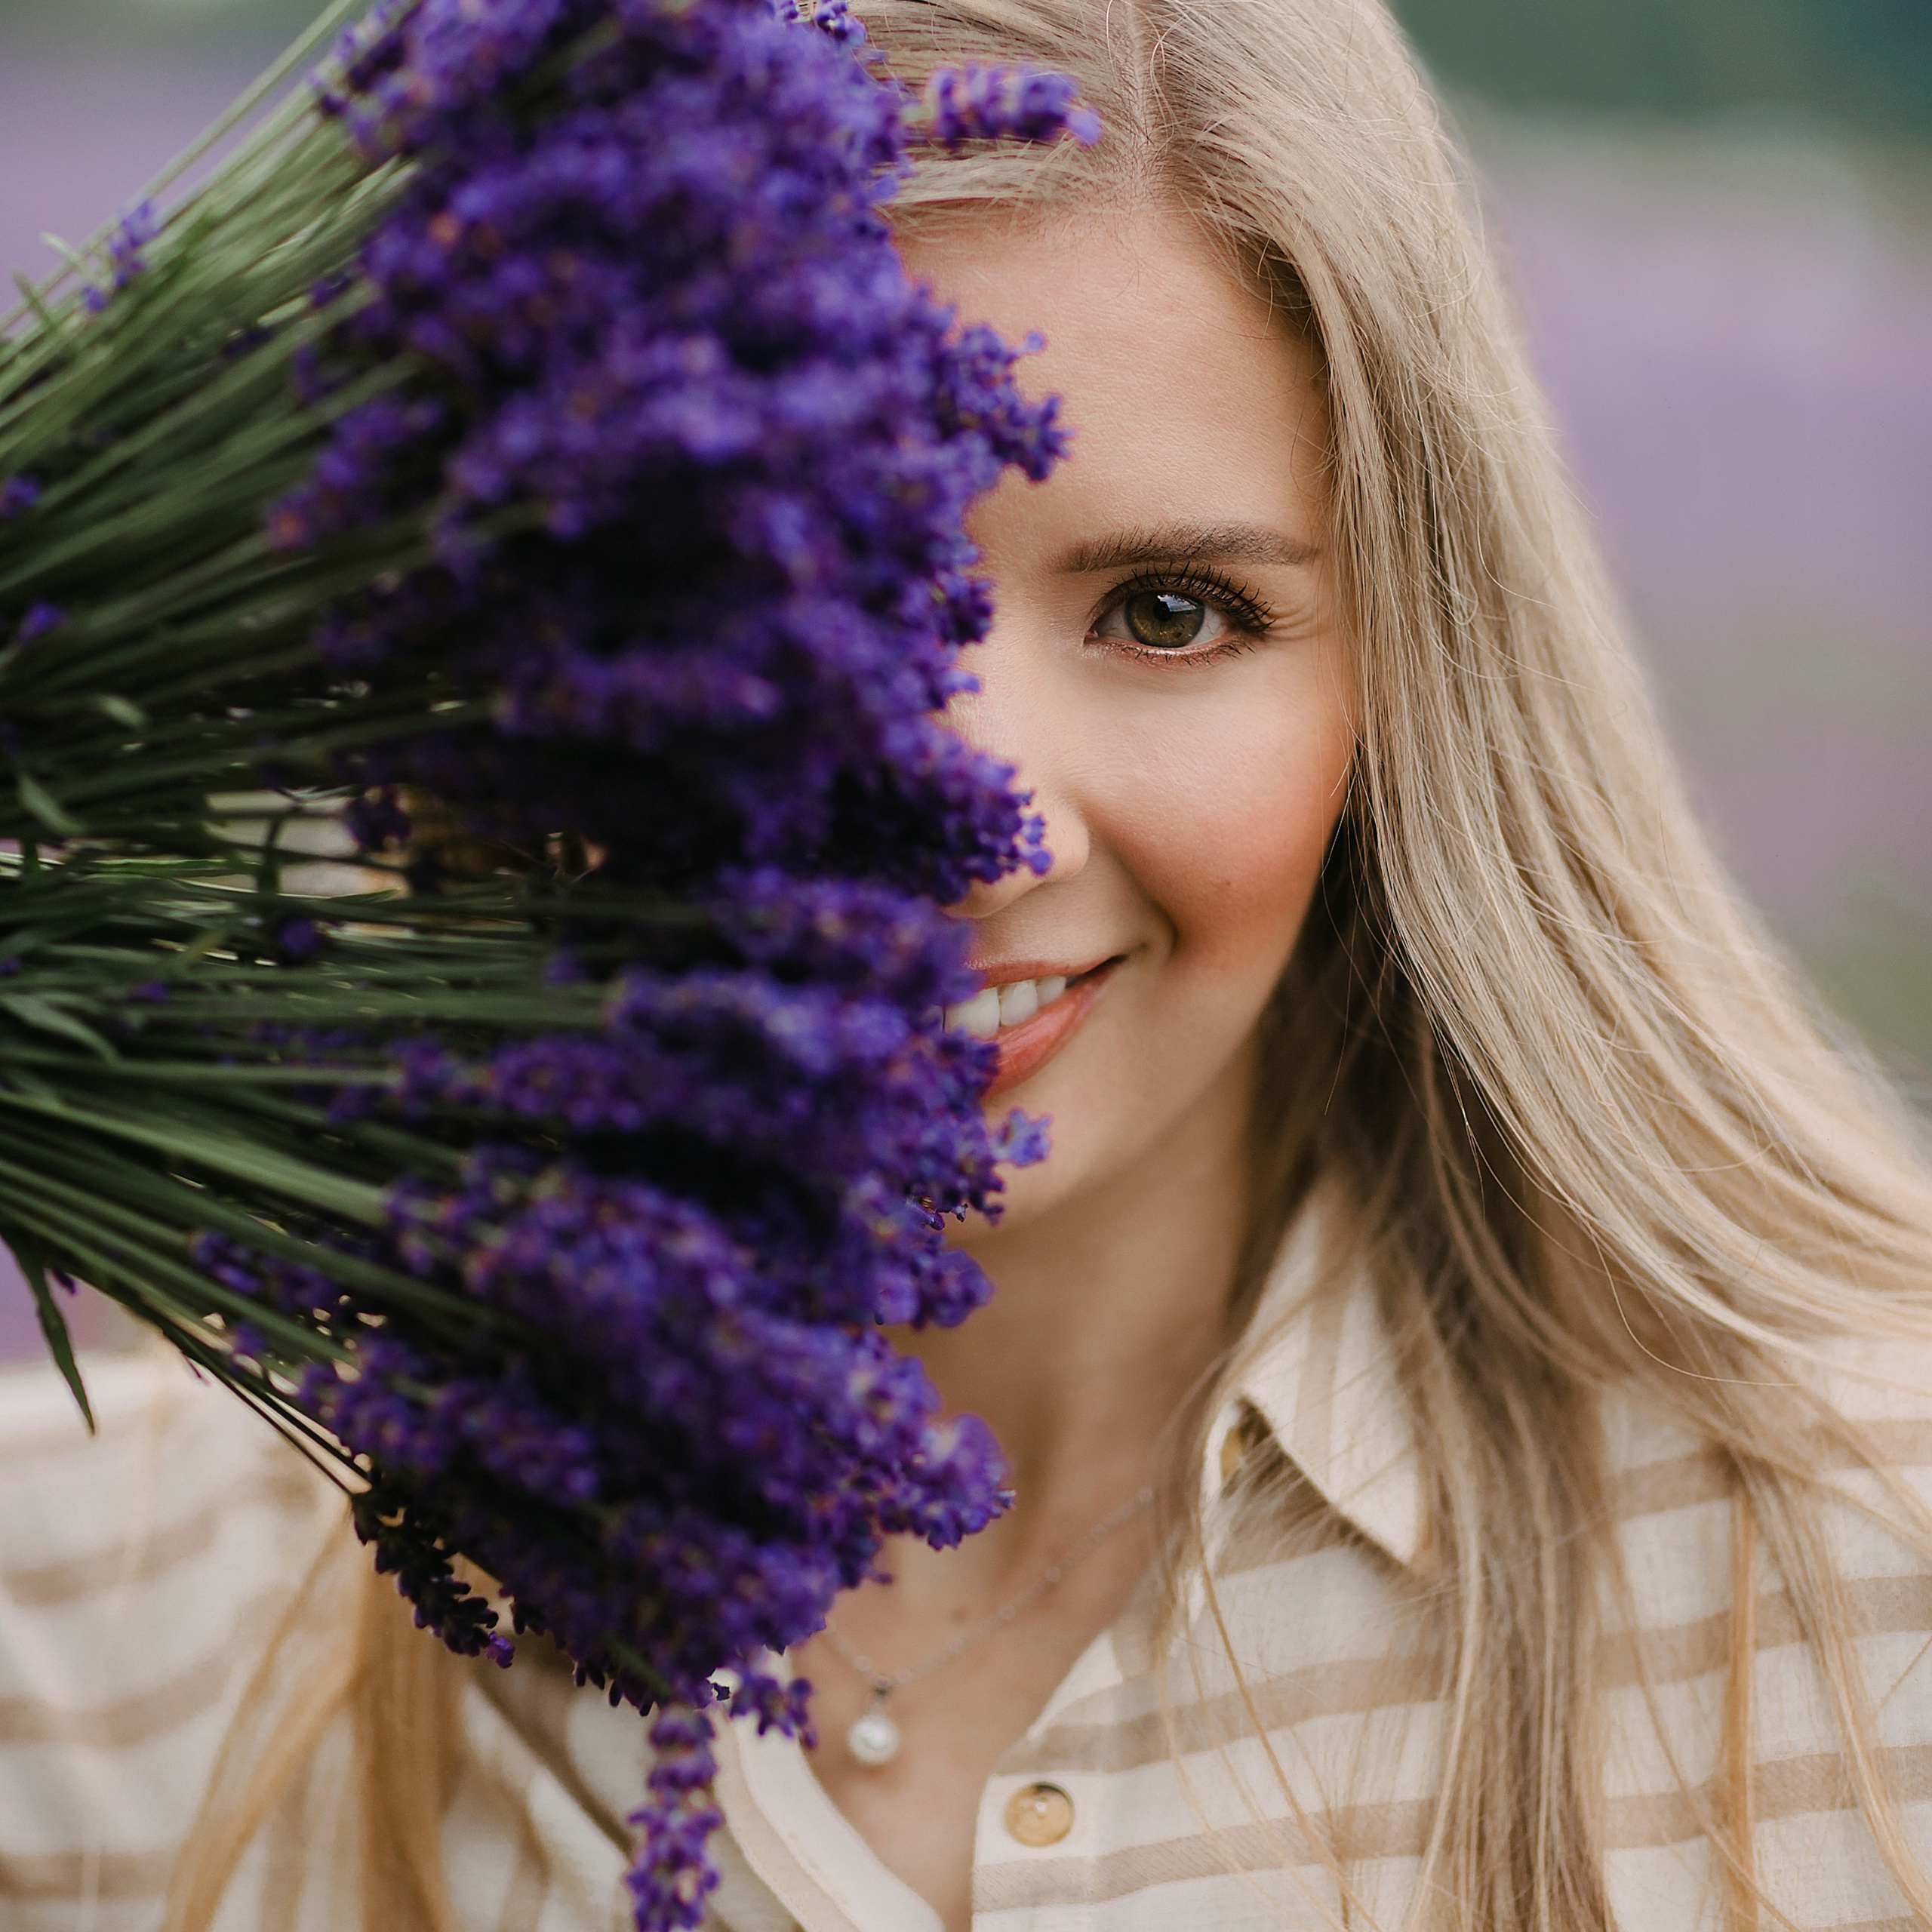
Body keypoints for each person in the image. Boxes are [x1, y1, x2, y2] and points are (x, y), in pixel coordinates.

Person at [5, 0, 1932, 1927]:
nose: (988, 823)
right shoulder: (80, 1650)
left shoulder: (1861, 1585)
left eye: (1171, 612)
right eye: (805, 601)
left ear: (1404, 677)